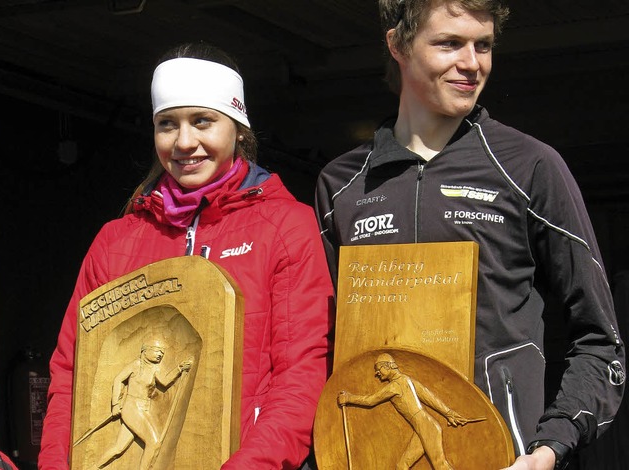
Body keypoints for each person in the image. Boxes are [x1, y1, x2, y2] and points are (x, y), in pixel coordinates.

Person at [314, 1, 625, 469]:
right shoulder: (341, 185)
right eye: (449, 43)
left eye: (483, 45)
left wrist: (549, 447)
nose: (472, 63)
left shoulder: (529, 166)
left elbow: (601, 340)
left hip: (501, 457)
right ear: (397, 44)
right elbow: (317, 344)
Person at [39, 41, 334, 469]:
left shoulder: (286, 226)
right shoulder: (115, 240)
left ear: (238, 127)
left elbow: (302, 375)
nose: (184, 141)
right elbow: (70, 373)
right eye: (167, 124)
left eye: (203, 121)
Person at [337, 353, 468, 470]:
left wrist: (349, 398)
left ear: (387, 366)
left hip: (427, 427)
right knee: (402, 466)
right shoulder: (407, 380)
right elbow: (429, 397)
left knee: (440, 465)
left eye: (378, 369)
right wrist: (448, 413)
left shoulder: (395, 386)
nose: (377, 373)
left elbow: (371, 400)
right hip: (423, 428)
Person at [97, 337, 193, 469]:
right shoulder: (135, 365)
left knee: (119, 448)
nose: (160, 355)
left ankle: (93, 467)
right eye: (157, 351)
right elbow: (118, 379)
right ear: (145, 350)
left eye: (162, 353)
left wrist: (179, 369)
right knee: (154, 443)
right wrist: (115, 404)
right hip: (132, 408)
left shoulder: (155, 368)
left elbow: (165, 381)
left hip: (143, 409)